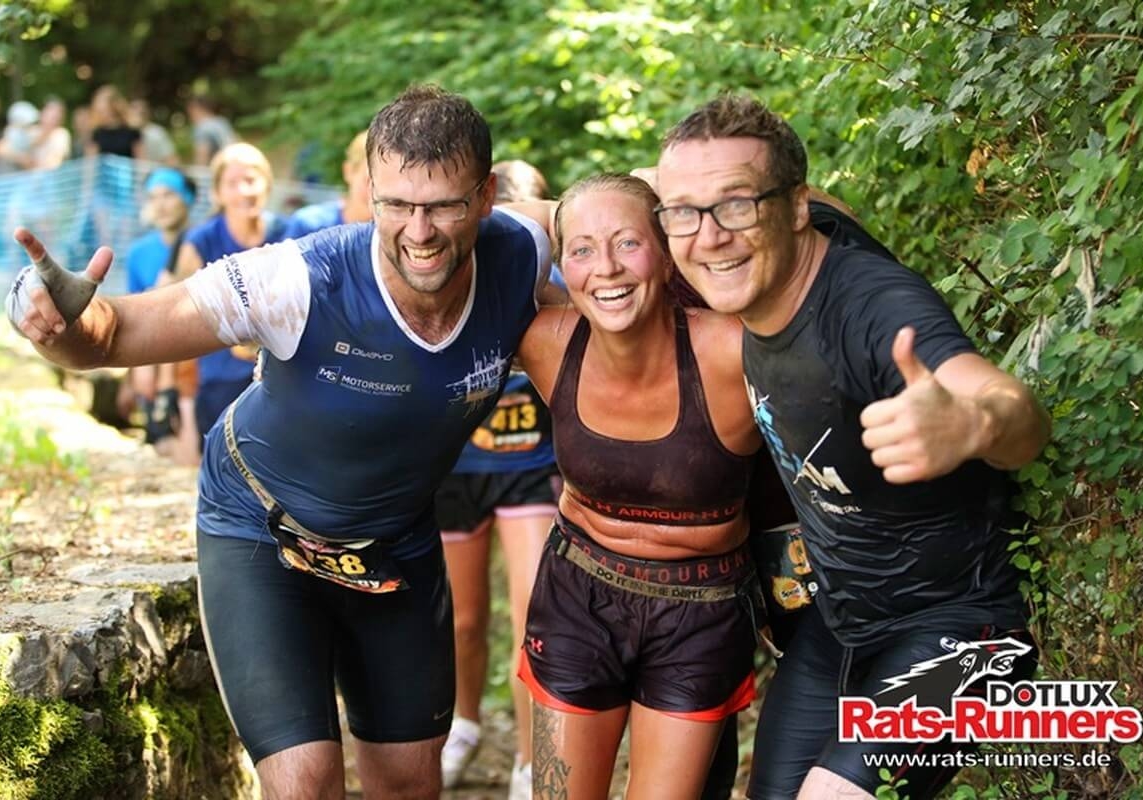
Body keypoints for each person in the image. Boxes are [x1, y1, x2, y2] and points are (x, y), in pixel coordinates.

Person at [5, 84, 554, 800]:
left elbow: (610, 224)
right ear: (369, 193)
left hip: (394, 542)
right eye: (396, 205)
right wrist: (60, 320)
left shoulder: (521, 249)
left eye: (443, 206)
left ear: (485, 198)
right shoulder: (300, 278)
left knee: (409, 781)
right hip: (261, 529)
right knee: (304, 781)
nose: (418, 231)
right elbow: (119, 334)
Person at [654, 95, 1051, 800]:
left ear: (796, 207)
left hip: (966, 627)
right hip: (842, 621)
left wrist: (974, 425)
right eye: (684, 211)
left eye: (737, 205)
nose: (709, 236)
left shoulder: (871, 305)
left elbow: (1014, 407)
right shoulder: (747, 276)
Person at [513, 173, 765, 800]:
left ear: (668, 250)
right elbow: (466, 228)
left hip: (701, 607)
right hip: (578, 592)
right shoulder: (546, 342)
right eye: (581, 249)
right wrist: (565, 209)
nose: (606, 268)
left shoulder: (731, 351)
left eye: (628, 242)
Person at [435, 158, 558, 799]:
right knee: (462, 621)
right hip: (456, 470)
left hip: (529, 468)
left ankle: (530, 761)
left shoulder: (557, 277)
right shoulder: (451, 273)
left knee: (533, 616)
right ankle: (464, 725)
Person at [174, 142, 288, 444]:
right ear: (217, 193)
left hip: (280, 383)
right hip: (218, 385)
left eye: (251, 180)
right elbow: (180, 327)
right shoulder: (199, 243)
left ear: (267, 184)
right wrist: (182, 411)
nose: (243, 191)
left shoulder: (287, 234)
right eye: (232, 183)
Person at [123, 167, 196, 452]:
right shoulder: (138, 253)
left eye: (169, 195)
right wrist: (135, 371)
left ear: (187, 198)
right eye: (153, 197)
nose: (161, 205)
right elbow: (132, 316)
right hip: (154, 361)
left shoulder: (204, 242)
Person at [283, 130, 372, 238]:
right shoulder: (309, 225)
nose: (378, 192)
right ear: (348, 171)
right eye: (369, 181)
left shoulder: (388, 236)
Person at [186, 94, 238, 166]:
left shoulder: (202, 127)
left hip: (219, 167)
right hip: (234, 163)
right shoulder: (222, 121)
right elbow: (236, 142)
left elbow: (202, 157)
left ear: (197, 109)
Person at [33, 97, 72, 171]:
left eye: (56, 115)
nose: (51, 117)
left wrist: (26, 161)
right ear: (41, 113)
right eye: (49, 112)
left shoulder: (61, 134)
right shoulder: (33, 130)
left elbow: (52, 165)